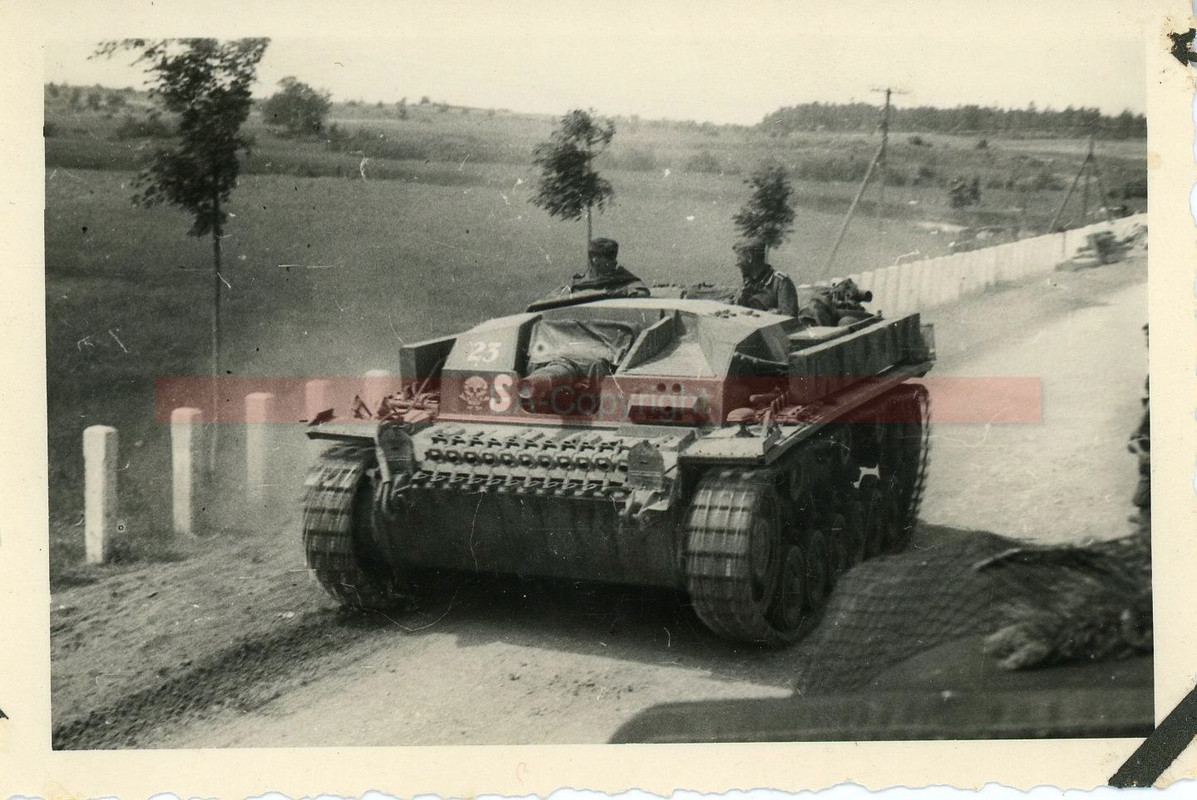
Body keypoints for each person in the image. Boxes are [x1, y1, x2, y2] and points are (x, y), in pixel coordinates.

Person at [564, 238, 650, 298]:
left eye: (613, 258)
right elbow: (559, 296)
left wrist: (612, 293)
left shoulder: (622, 277)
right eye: (609, 259)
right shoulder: (577, 281)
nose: (615, 263)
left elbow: (643, 292)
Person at [733, 240, 799, 316]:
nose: (736, 263)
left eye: (739, 259)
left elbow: (789, 317)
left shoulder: (781, 283)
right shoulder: (747, 281)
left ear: (749, 258)